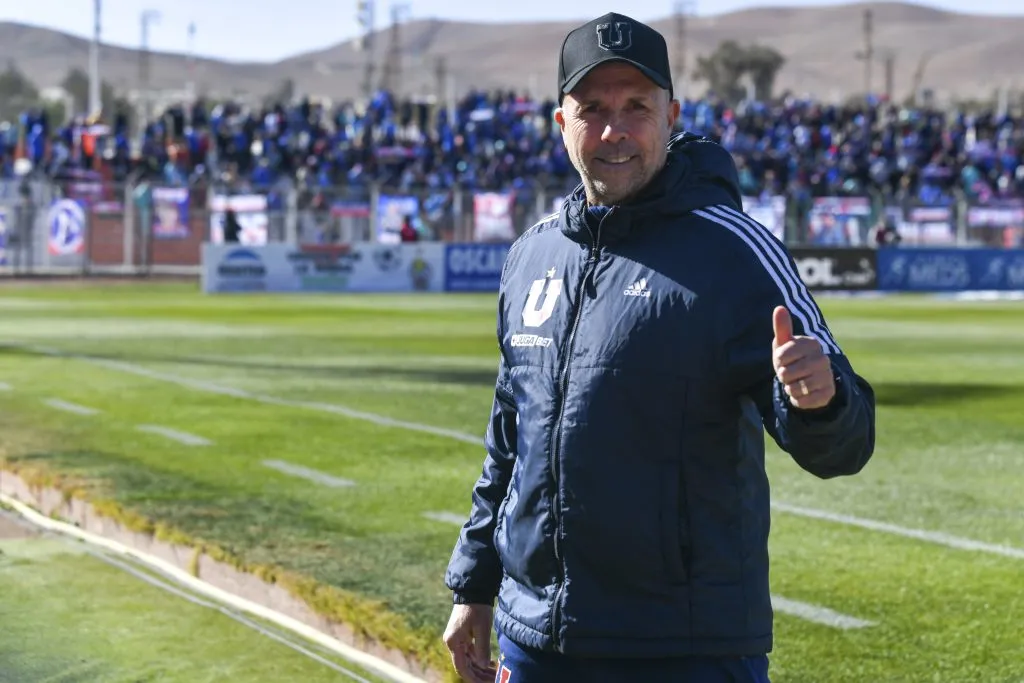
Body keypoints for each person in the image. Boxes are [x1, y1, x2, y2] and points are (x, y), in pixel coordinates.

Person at [442, 12, 876, 683]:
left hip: (684, 648)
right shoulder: (531, 256)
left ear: (672, 116)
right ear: (562, 124)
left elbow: (843, 441)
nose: (615, 130)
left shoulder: (733, 252)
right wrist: (473, 586)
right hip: (536, 642)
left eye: (637, 107)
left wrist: (821, 401)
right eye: (593, 109)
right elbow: (510, 441)